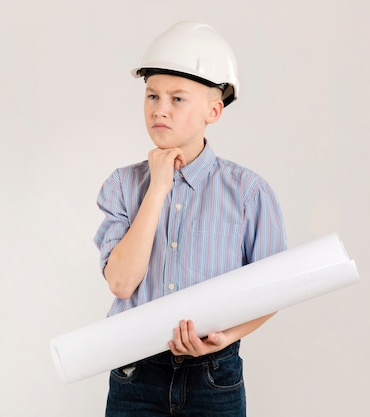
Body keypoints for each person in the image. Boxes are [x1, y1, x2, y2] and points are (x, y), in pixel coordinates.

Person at [93, 21, 287, 416]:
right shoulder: (122, 185)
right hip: (136, 376)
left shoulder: (249, 193)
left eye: (177, 98)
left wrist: (225, 337)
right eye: (152, 96)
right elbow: (121, 281)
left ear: (213, 111)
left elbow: (275, 289)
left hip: (214, 378)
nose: (159, 109)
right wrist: (158, 187)